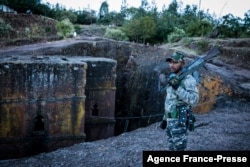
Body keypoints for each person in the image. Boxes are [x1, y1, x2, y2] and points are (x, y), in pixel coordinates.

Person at [159, 50, 199, 151]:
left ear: (183, 63)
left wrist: (178, 88)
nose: (171, 65)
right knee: (171, 148)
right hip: (170, 121)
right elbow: (170, 100)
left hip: (179, 121)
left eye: (175, 62)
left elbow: (194, 100)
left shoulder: (188, 79)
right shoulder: (174, 78)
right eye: (170, 62)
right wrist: (165, 118)